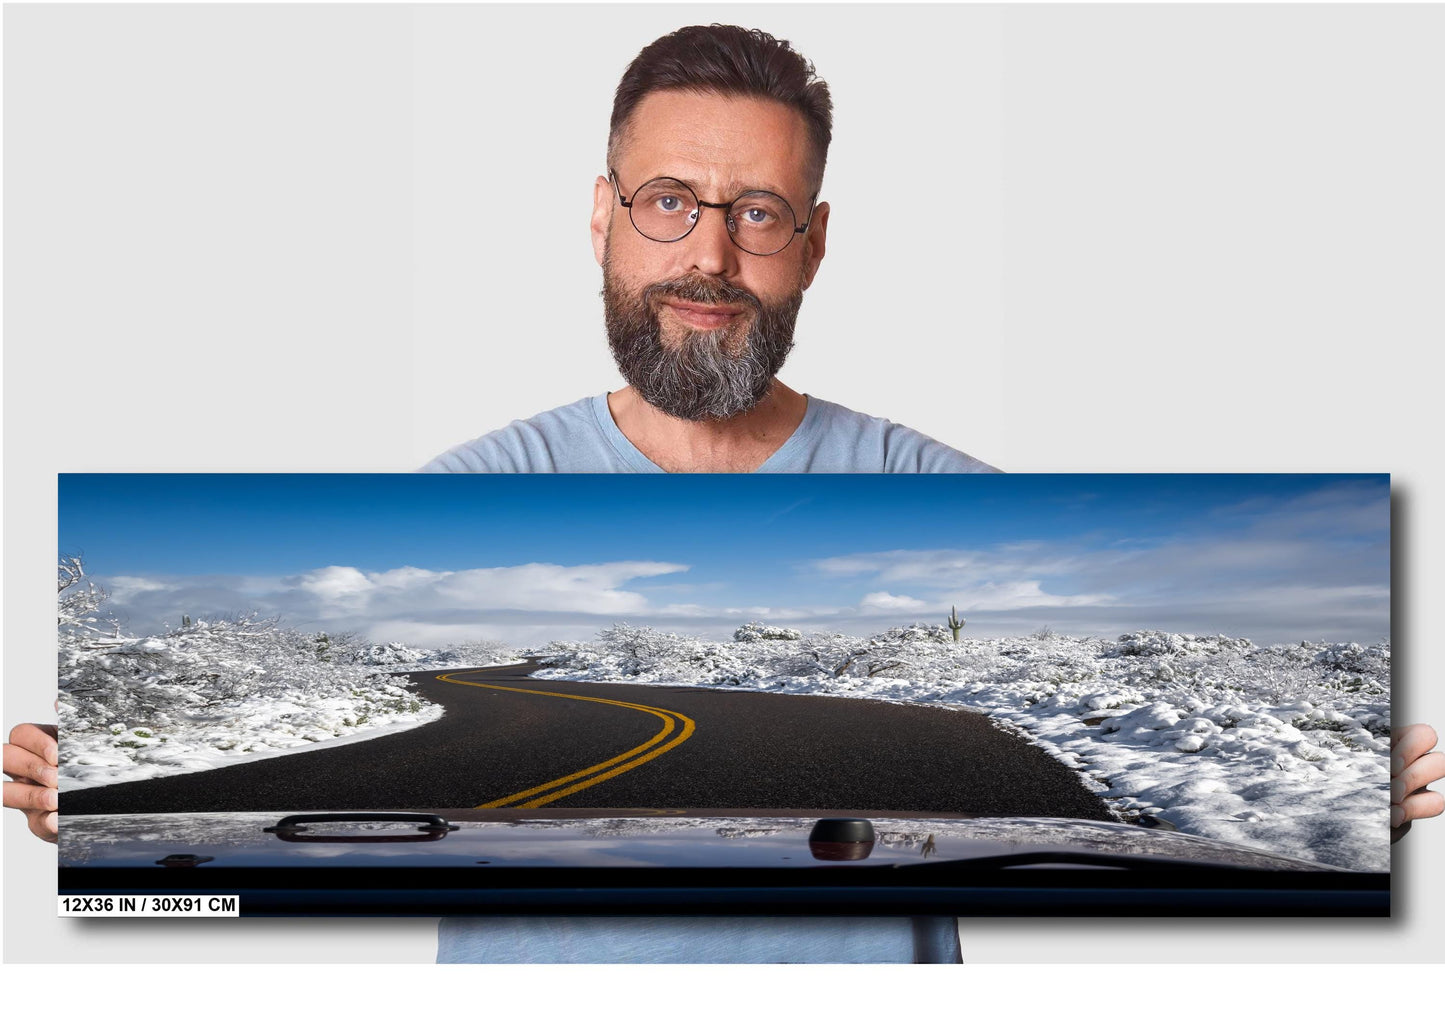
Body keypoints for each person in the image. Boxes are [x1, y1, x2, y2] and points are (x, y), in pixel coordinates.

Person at [9, 23, 1443, 963]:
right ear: (601, 214)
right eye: (669, 201)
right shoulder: (473, 486)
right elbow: (181, 872)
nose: (709, 254)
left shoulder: (932, 491)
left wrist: (1344, 800)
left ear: (811, 244)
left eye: (756, 213)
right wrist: (88, 795)